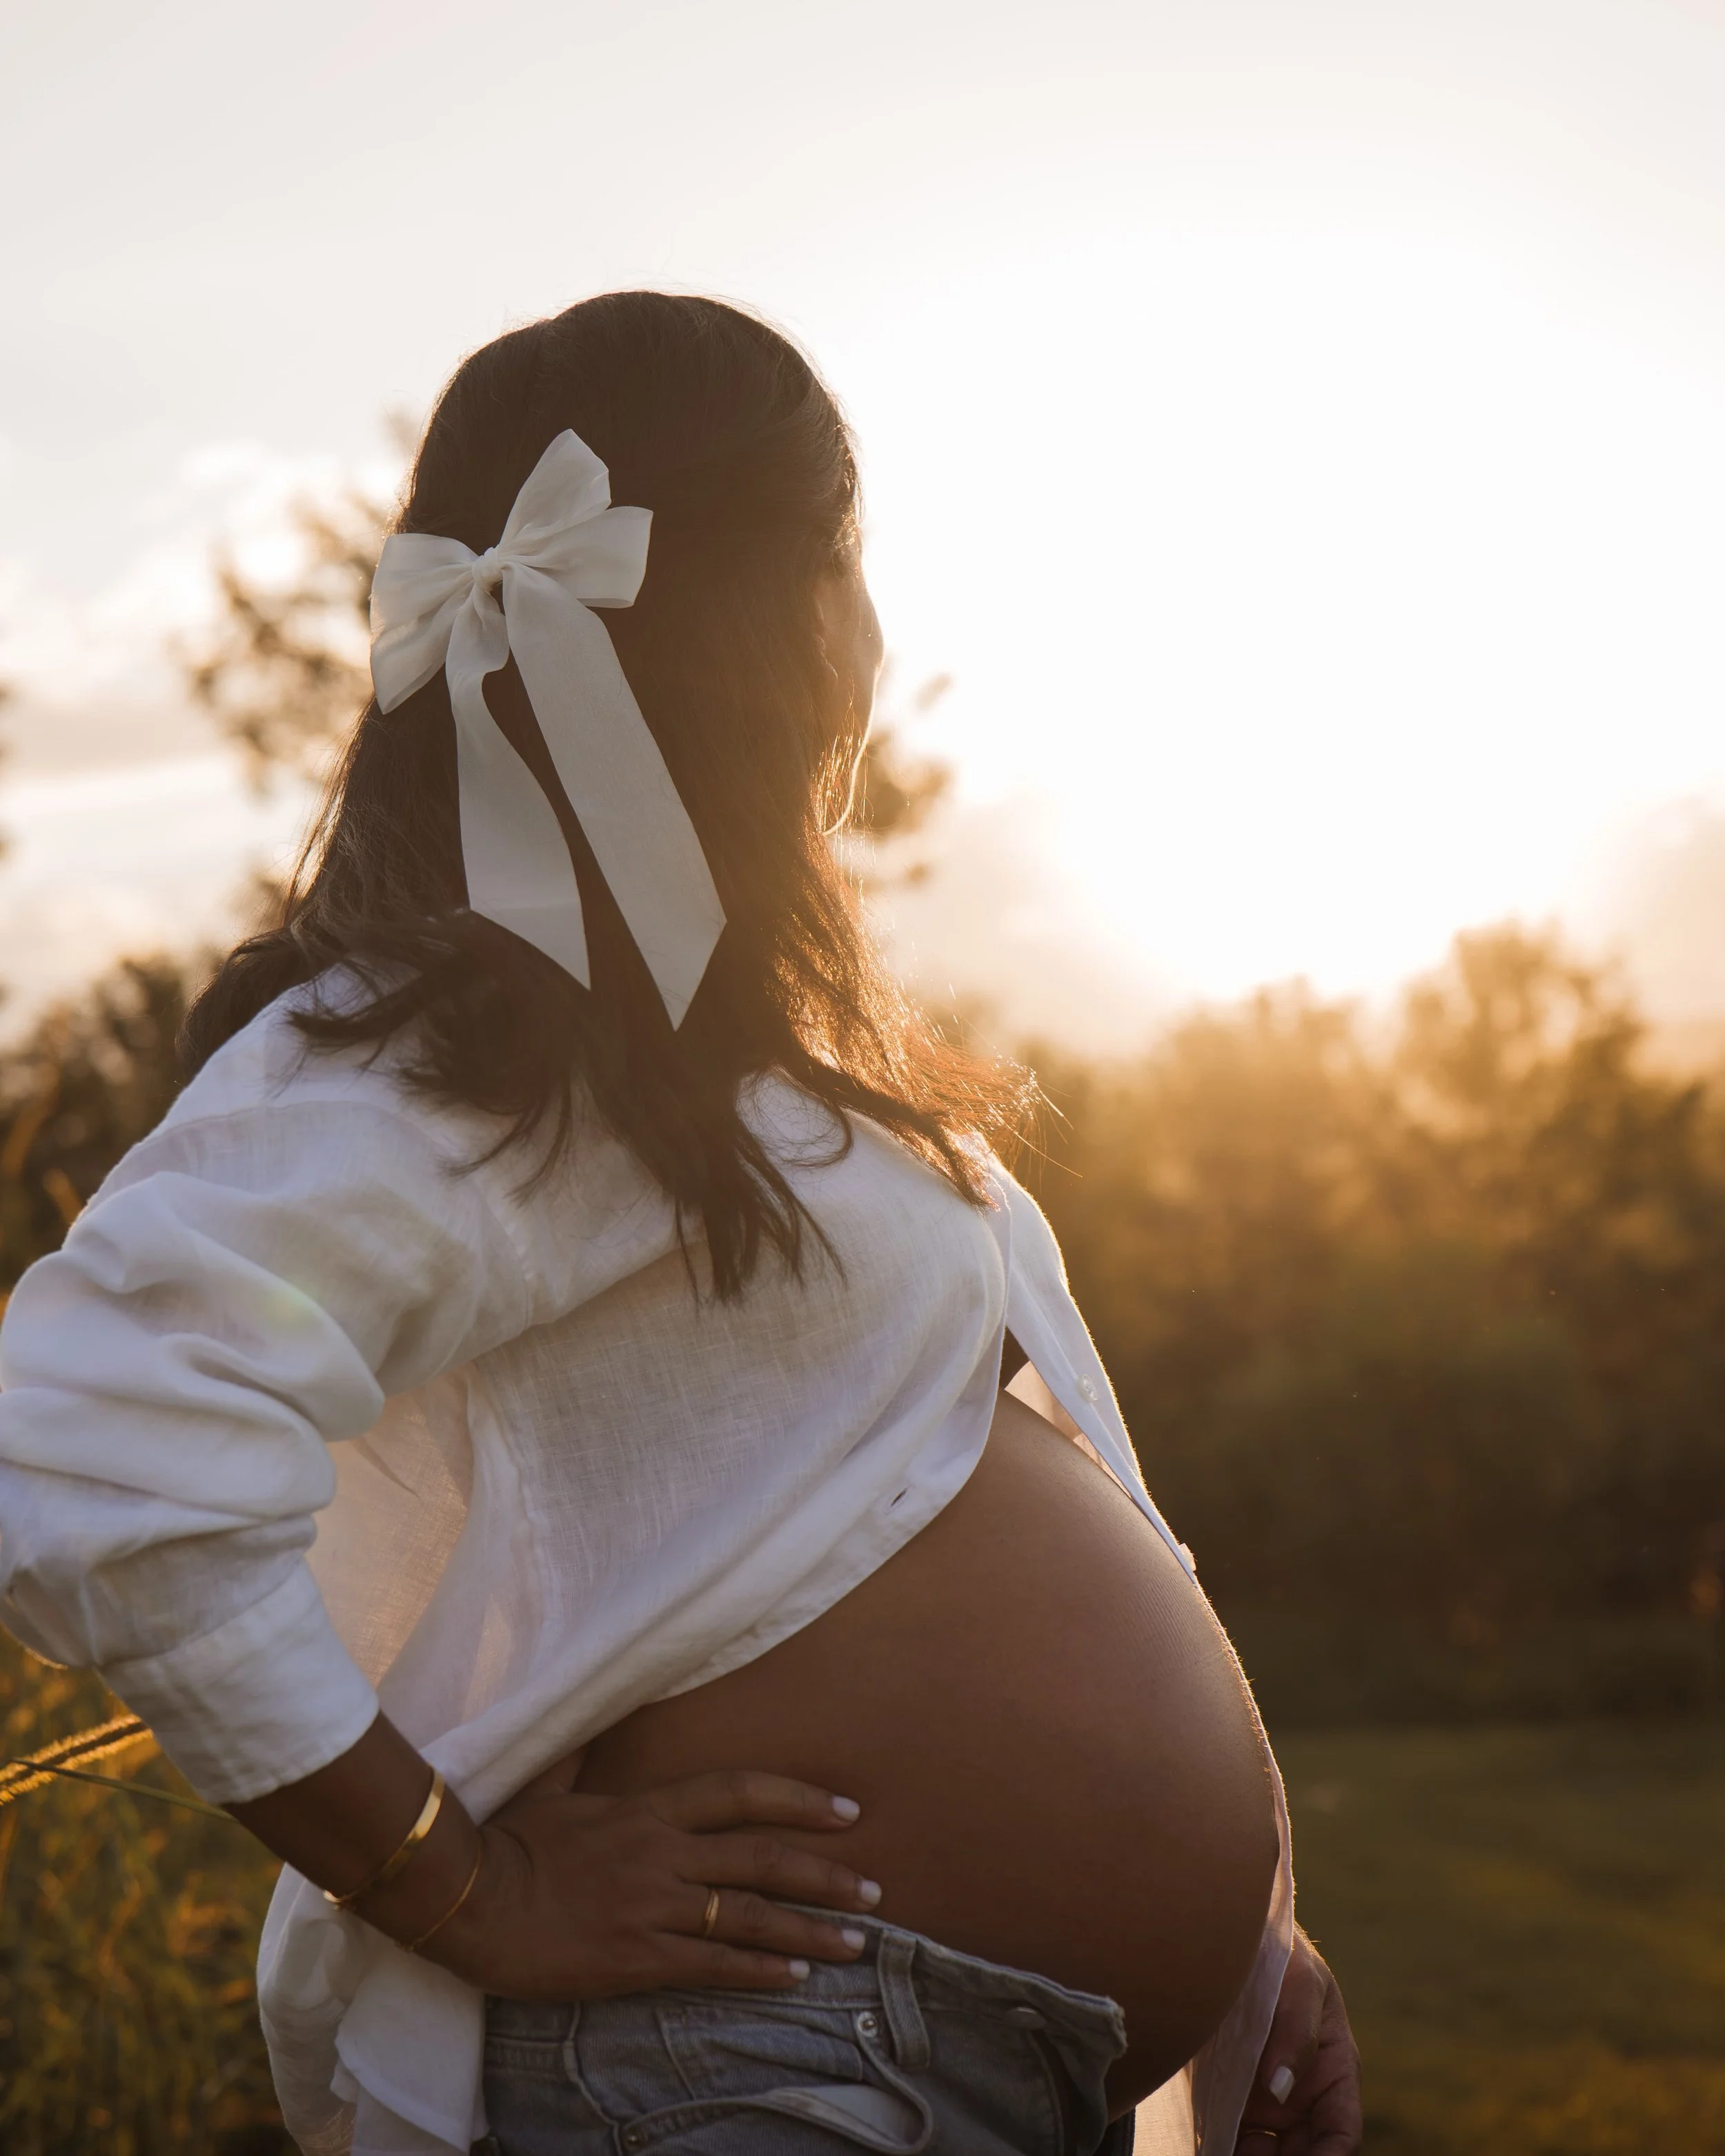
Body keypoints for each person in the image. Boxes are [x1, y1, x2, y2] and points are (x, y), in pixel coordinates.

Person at [0, 293, 1361, 2156]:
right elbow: (92, 1432)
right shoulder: (480, 1032)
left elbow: (906, 1476)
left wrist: (1251, 1938)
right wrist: (458, 1883)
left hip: (907, 2053)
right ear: (786, 612)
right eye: (852, 560)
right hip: (750, 2061)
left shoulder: (701, 1048)